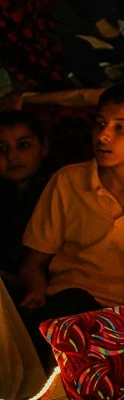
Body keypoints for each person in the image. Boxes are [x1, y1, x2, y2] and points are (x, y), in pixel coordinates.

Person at [18, 80, 124, 368]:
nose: (104, 136)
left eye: (120, 127)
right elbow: (34, 261)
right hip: (69, 301)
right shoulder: (69, 181)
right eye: (100, 124)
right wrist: (35, 292)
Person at [0, 113, 51, 298]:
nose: (12, 156)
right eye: (1, 149)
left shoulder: (57, 190)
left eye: (23, 146)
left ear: (43, 147)